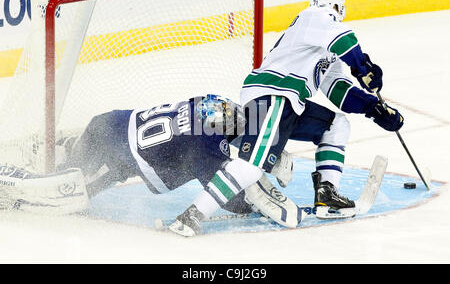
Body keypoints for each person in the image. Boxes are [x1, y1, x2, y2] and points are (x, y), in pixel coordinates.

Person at [171, 0, 404, 236]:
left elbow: (339, 91)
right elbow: (343, 38)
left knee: (336, 125)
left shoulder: (322, 44)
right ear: (337, 7)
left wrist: (374, 108)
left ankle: (326, 194)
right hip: (274, 97)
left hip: (289, 103)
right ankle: (193, 214)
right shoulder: (314, 17)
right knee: (250, 167)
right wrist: (364, 66)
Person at [0, 94, 296, 231]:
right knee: (66, 193)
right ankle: (15, 183)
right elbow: (228, 197)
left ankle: (66, 151)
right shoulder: (206, 150)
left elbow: (236, 132)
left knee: (88, 186)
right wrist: (255, 202)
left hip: (110, 123)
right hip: (114, 152)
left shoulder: (215, 103)